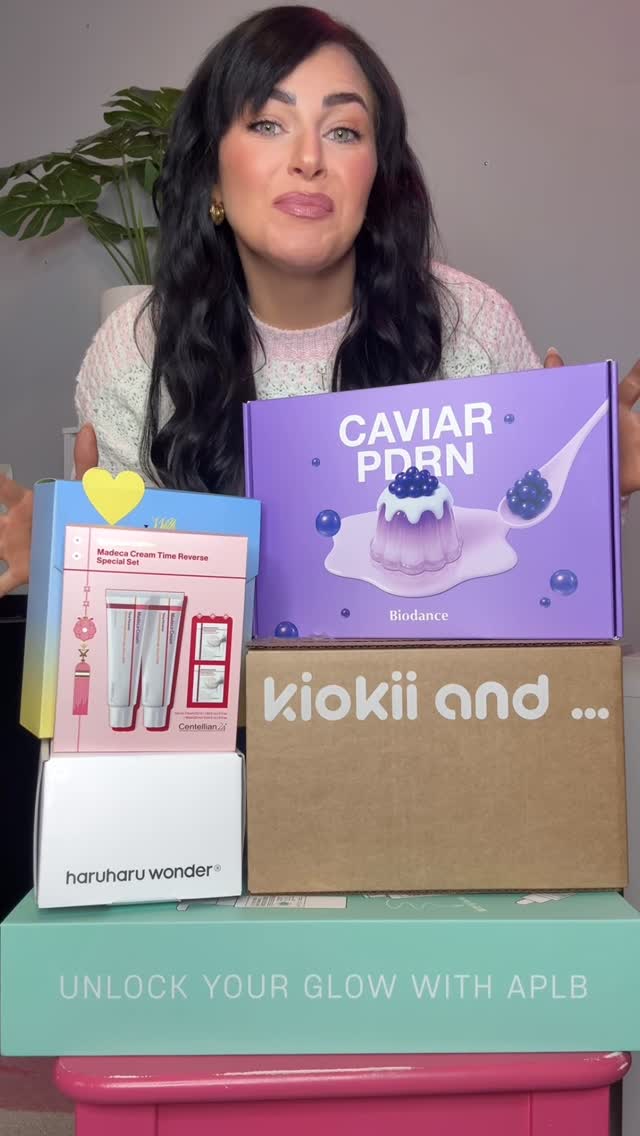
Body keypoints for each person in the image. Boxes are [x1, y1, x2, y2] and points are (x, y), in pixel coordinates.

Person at [1, 4, 639, 597]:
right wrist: (74, 561)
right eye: (267, 124)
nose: (308, 158)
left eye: (343, 131)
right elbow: (145, 614)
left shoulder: (471, 325)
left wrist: (595, 487)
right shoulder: (137, 354)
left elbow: (524, 569)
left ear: (377, 176)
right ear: (212, 174)